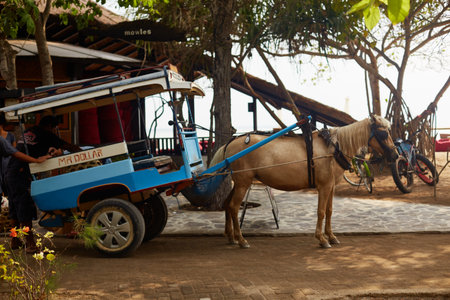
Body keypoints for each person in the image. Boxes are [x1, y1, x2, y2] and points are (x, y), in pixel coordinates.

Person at [5, 115, 81, 253]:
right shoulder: (46, 133)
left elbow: (34, 148)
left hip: (10, 172)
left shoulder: (31, 131)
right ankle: (30, 244)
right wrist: (83, 152)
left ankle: (14, 240)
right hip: (20, 175)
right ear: (51, 127)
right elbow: (68, 146)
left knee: (14, 210)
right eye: (54, 128)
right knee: (24, 209)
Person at [0, 113, 16, 197]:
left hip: (7, 164)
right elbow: (15, 152)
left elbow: (14, 151)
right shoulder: (9, 136)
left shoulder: (11, 136)